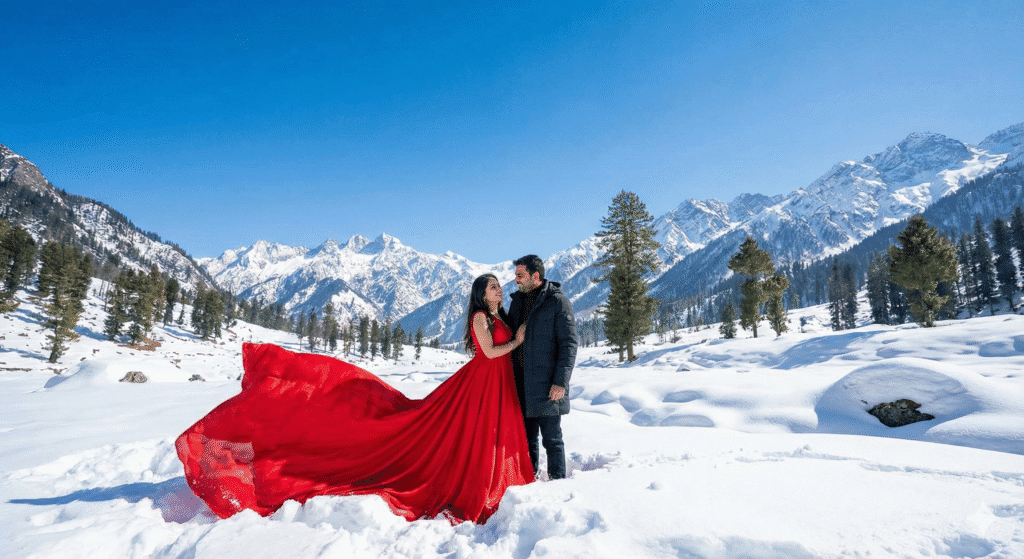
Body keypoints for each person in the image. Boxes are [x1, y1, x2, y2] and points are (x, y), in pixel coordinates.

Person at [175, 274, 533, 524]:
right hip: (483, 381)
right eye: (493, 286)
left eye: (499, 286)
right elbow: (487, 352)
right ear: (481, 294)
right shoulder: (480, 317)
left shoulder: (496, 314)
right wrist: (517, 340)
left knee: (486, 432)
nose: (499, 290)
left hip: (495, 385)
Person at [508, 254, 579, 480]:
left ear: (535, 276)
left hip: (549, 384)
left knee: (552, 439)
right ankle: (530, 484)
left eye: (520, 275)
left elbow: (568, 344)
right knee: (526, 440)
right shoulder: (517, 301)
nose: (516, 279)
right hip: (521, 384)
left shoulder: (558, 301)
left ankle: (558, 483)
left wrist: (561, 381)